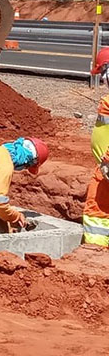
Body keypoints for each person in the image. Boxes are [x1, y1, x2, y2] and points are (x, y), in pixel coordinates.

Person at [84, 48, 109, 247]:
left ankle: (95, 251)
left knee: (97, 210)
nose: (102, 79)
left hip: (106, 169)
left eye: (103, 73)